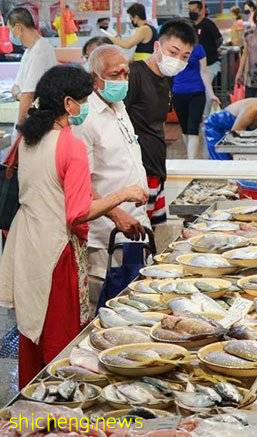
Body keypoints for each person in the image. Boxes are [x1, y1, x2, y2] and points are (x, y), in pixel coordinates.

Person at [0, 65, 147, 388]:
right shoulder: (70, 145)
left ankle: (27, 411)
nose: (84, 108)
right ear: (68, 104)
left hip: (27, 242)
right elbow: (78, 213)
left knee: (31, 332)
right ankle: (57, 414)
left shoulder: (30, 136)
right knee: (58, 339)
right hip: (55, 251)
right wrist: (124, 194)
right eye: (82, 101)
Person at [72, 45, 151, 309]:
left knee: (133, 304)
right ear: (95, 78)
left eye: (125, 74)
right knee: (105, 307)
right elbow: (81, 182)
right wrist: (117, 214)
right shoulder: (86, 118)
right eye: (115, 75)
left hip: (135, 225)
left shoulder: (118, 106)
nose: (122, 80)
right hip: (105, 234)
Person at [124, 19, 196, 227]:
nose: (177, 60)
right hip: (137, 173)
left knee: (153, 232)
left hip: (156, 168)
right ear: (157, 46)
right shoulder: (134, 74)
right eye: (173, 52)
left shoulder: (167, 78)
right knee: (137, 235)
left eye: (185, 56)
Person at [7, 7, 57, 137]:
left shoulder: (40, 51)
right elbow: (16, 88)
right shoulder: (29, 50)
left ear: (18, 28)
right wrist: (20, 94)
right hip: (31, 112)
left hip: (35, 119)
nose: (10, 34)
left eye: (10, 29)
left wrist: (20, 127)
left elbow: (28, 94)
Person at [172, 34, 221, 159]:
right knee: (184, 128)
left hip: (197, 92)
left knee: (193, 126)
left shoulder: (198, 49)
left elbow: (204, 72)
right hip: (177, 92)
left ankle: (190, 161)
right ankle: (190, 155)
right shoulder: (173, 50)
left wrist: (211, 94)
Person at [188, 1, 223, 117]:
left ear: (201, 10)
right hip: (194, 65)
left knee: (206, 90)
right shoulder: (189, 26)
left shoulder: (208, 24)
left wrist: (210, 50)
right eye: (190, 10)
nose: (191, 13)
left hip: (210, 64)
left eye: (194, 10)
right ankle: (198, 116)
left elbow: (219, 40)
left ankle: (206, 117)